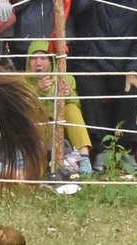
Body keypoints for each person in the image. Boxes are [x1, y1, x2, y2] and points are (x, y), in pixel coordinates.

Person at [70, 0, 137, 172]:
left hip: (123, 67)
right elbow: (79, 7)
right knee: (89, 92)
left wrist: (132, 69)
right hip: (91, 64)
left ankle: (126, 152)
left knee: (133, 93)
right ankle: (101, 151)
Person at [25, 40, 93, 175]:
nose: (38, 63)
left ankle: (84, 158)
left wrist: (68, 94)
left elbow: (78, 104)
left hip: (62, 130)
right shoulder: (21, 81)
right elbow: (21, 107)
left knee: (72, 108)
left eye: (43, 58)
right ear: (27, 61)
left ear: (51, 61)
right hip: (36, 133)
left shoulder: (66, 78)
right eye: (33, 58)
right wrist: (37, 90)